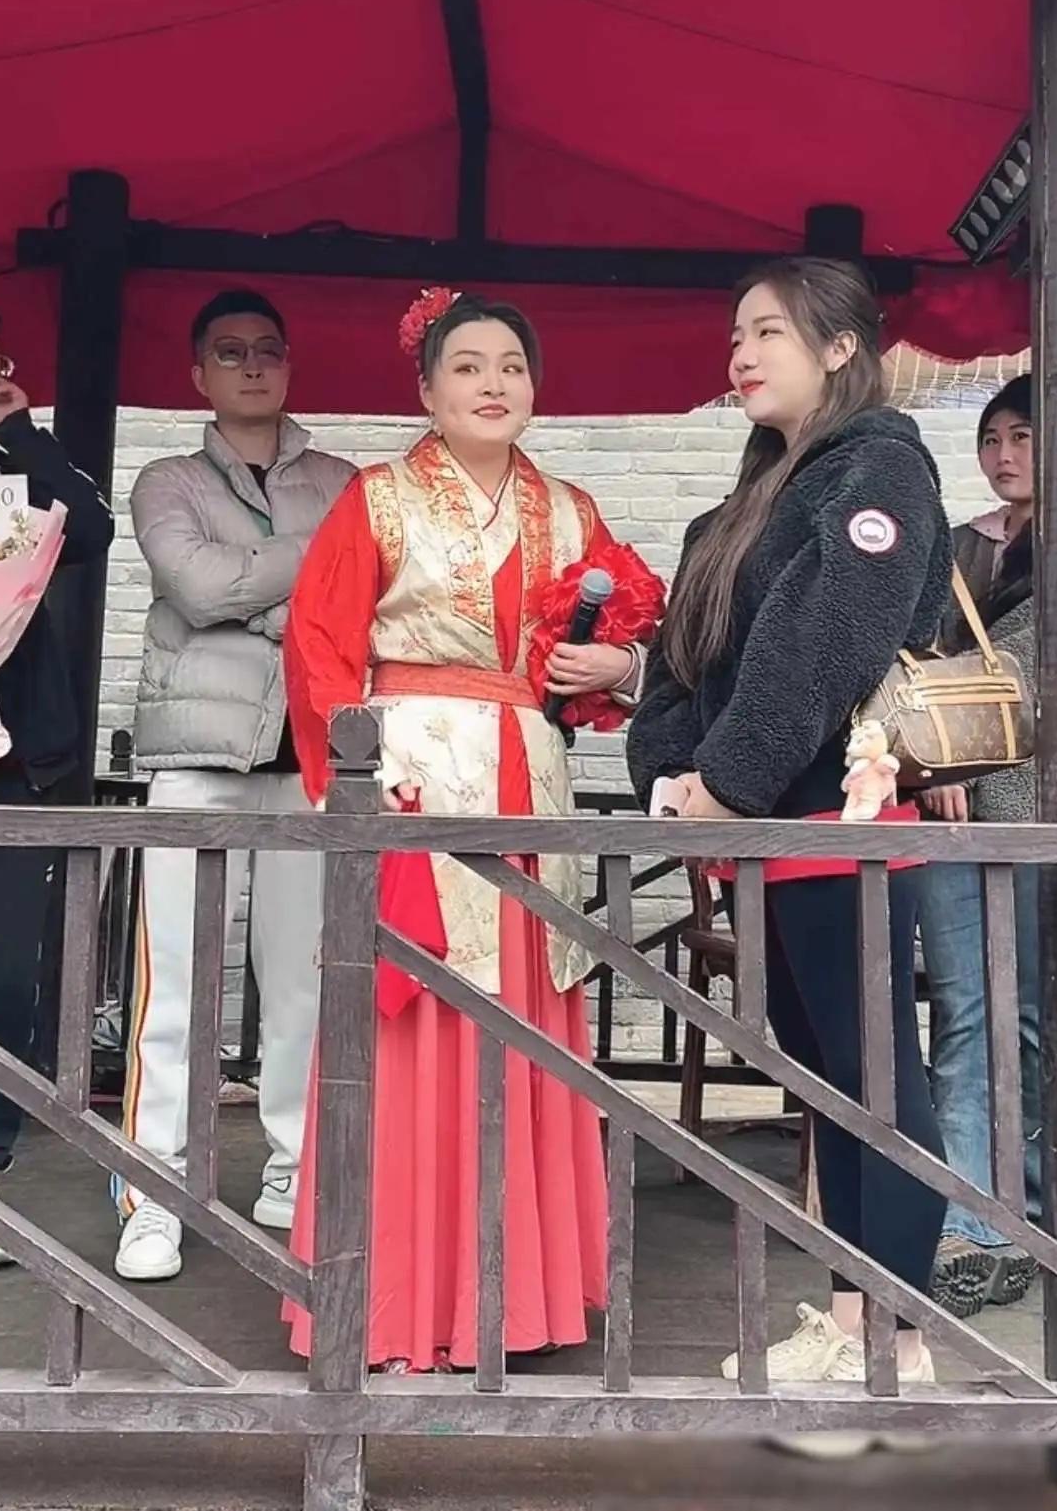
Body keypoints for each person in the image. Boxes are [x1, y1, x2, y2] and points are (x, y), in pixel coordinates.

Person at [283, 291, 645, 1372]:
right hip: (414, 777)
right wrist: (357, 781)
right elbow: (318, 645)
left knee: (522, 1021)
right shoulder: (379, 498)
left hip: (528, 781)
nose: (494, 383)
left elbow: (605, 660)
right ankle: (393, 1301)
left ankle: (517, 1297)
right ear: (427, 389)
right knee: (413, 1019)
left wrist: (615, 664)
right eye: (469, 365)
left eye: (512, 366)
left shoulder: (571, 509)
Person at [627, 257, 953, 1401]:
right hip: (760, 826)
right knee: (825, 1081)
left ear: (839, 346)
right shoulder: (748, 497)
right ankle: (858, 1316)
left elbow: (820, 641)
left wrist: (727, 780)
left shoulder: (880, 466)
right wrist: (672, 774)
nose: (742, 353)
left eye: (767, 331)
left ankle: (898, 1337)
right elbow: (685, 653)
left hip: (837, 818)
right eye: (736, 335)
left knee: (875, 1080)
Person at [114, 289, 354, 1283]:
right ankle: (151, 1193)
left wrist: (252, 589)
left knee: (303, 981)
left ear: (289, 364)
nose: (252, 365)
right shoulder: (165, 479)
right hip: (195, 755)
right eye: (229, 351)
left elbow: (355, 603)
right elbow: (197, 586)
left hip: (307, 756)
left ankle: (293, 1171)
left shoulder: (343, 479)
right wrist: (306, 572)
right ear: (197, 373)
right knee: (174, 985)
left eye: (267, 349)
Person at [0, 306, 114, 1266]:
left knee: (1, 971)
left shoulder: (18, 465)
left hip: (11, 758)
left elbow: (93, 525)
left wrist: (21, 434)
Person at [918, 375, 1039, 1319]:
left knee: (1031, 1017)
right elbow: (910, 670)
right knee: (966, 1010)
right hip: (953, 808)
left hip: (1041, 813)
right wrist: (934, 766)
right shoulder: (955, 548)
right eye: (991, 438)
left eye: (1022, 435)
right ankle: (969, 1219)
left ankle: (1027, 1216)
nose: (1002, 454)